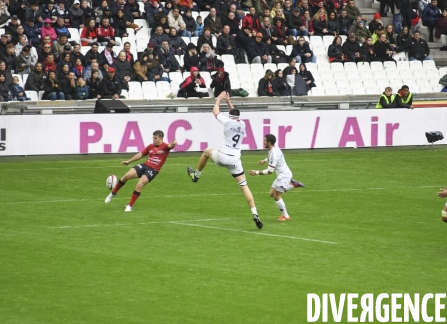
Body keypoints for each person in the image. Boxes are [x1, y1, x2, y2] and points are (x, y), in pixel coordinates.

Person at [187, 91, 263, 229]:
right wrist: (229, 102)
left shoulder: (227, 121)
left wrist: (219, 99)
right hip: (235, 161)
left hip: (223, 157)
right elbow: (234, 114)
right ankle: (255, 214)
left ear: (230, 116)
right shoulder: (243, 124)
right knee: (245, 187)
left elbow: (215, 111)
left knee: (206, 151)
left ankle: (196, 175)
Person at [105, 131, 177, 212]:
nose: (153, 140)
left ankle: (129, 206)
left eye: (155, 138)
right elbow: (140, 154)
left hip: (153, 170)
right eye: (153, 138)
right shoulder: (150, 146)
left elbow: (170, 146)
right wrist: (129, 161)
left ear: (161, 138)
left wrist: (173, 144)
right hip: (145, 166)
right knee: (126, 176)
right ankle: (113, 193)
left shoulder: (165, 147)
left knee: (139, 184)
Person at [249, 134, 305, 221]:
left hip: (284, 175)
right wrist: (265, 160)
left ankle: (286, 216)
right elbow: (271, 156)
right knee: (271, 193)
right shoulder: (274, 148)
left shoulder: (274, 154)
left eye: (265, 141)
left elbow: (270, 171)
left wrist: (256, 172)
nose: (263, 142)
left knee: (276, 196)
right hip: (282, 174)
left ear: (269, 142)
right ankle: (293, 185)